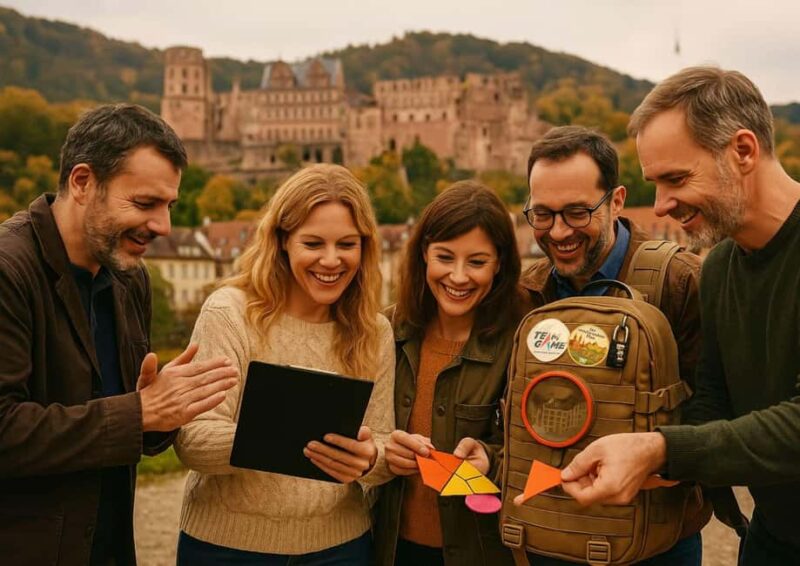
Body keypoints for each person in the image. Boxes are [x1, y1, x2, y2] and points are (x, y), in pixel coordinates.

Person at [558, 66, 800, 564]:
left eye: (676, 179)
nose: (662, 206)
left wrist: (658, 450)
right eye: (654, 183)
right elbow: (709, 408)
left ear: (744, 151)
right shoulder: (718, 270)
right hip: (773, 539)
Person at [0, 103, 238, 566]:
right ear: (82, 182)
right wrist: (139, 413)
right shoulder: (9, 272)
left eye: (169, 206)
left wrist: (163, 415)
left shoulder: (129, 276)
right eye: (145, 204)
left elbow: (126, 419)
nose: (162, 226)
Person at [174, 163, 396, 565]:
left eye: (347, 244)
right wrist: (283, 437)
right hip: (228, 548)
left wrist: (369, 459)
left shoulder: (374, 331)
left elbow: (380, 450)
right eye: (313, 244)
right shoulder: (229, 313)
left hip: (339, 549)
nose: (331, 261)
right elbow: (193, 442)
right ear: (281, 241)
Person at [513, 125, 710, 564]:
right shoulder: (527, 294)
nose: (558, 232)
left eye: (578, 213)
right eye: (542, 214)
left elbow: (717, 417)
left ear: (617, 200)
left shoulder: (678, 282)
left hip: (654, 544)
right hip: (550, 534)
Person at [375, 181, 524, 565]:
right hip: (392, 549)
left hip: (483, 553)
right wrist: (380, 451)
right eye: (445, 257)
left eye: (476, 262)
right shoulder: (387, 331)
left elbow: (546, 457)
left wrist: (491, 459)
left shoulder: (521, 340)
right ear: (424, 253)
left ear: (500, 264)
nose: (458, 277)